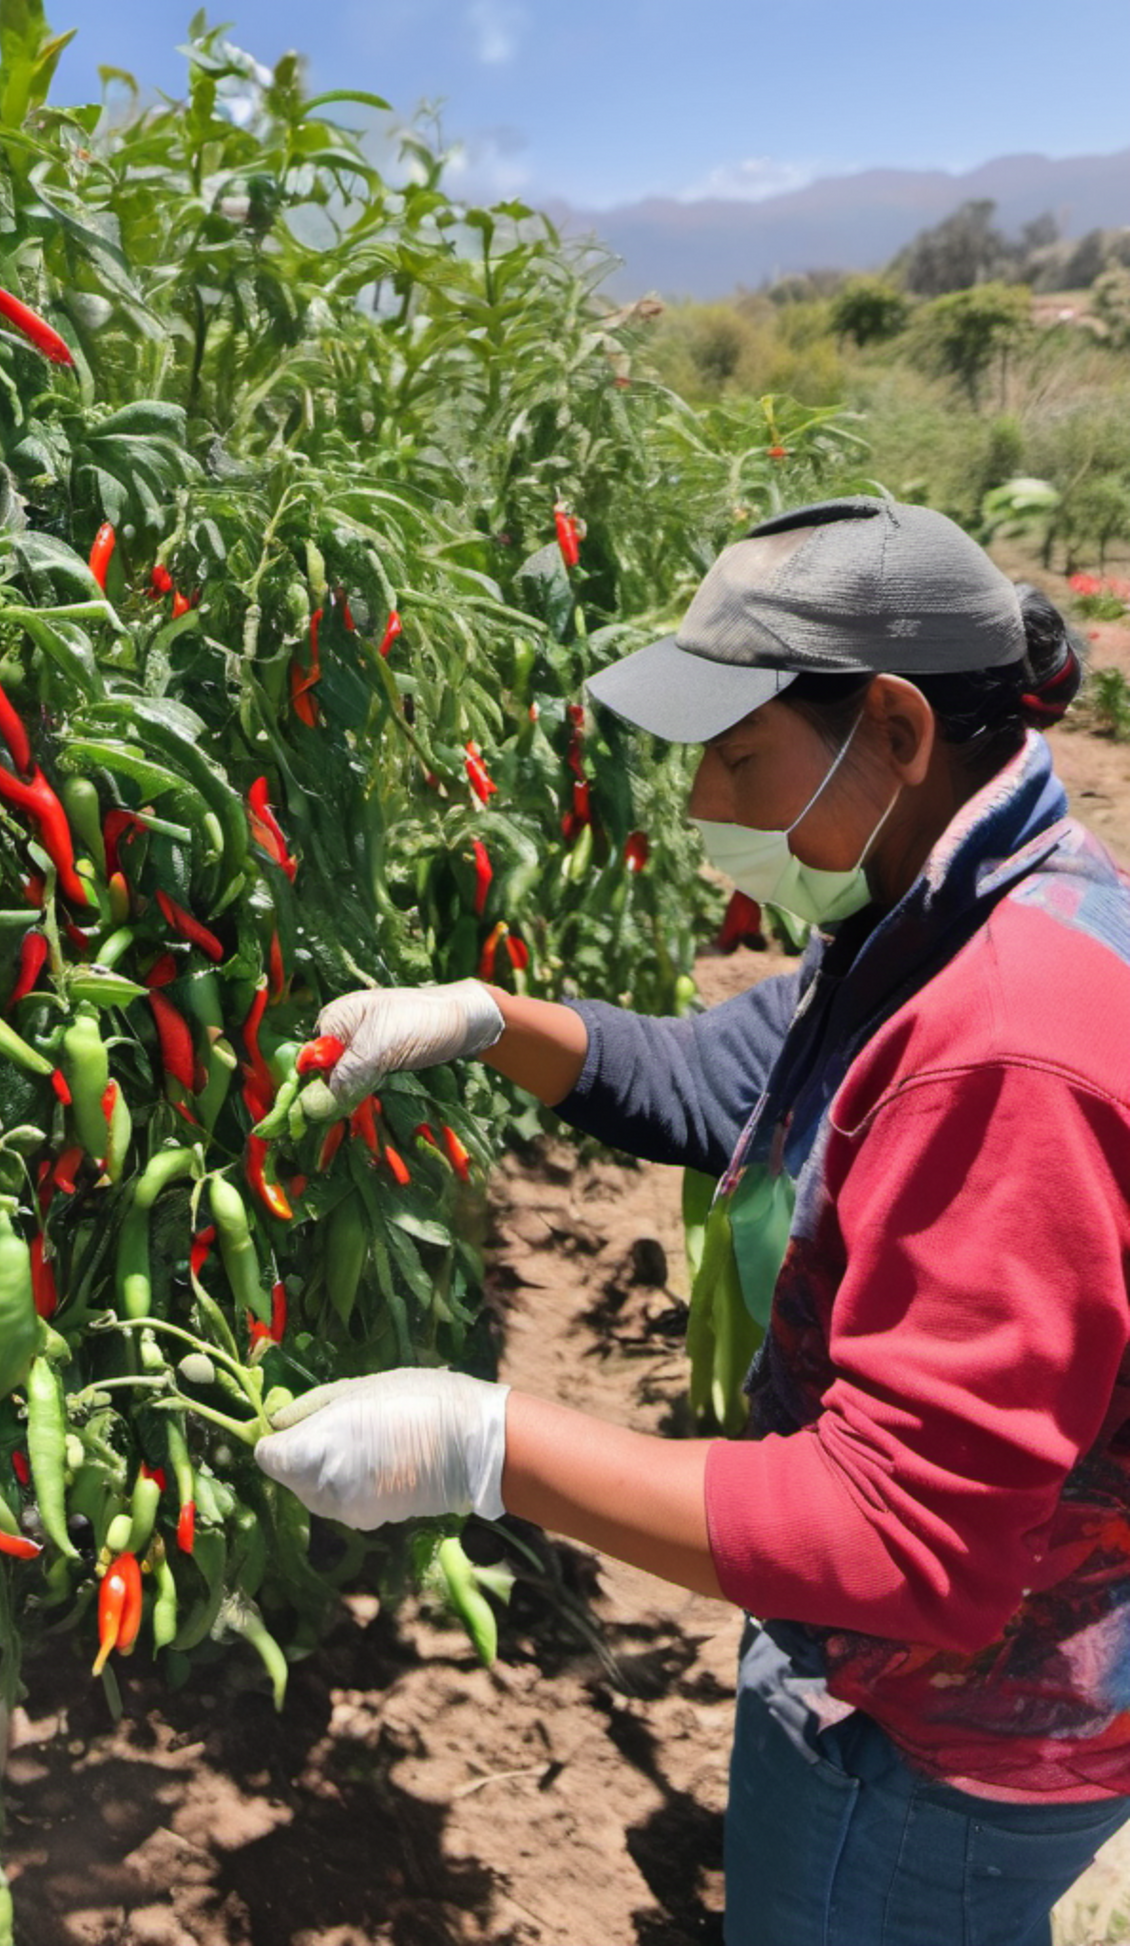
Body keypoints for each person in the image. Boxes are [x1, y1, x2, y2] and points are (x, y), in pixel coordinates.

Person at [255, 497, 1130, 1945]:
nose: (704, 807)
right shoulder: (948, 895)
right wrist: (482, 1022)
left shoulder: (1008, 1045)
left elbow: (905, 1541)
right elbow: (735, 1077)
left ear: (896, 729)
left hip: (925, 1740)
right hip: (926, 1689)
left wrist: (486, 1446)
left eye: (738, 757)